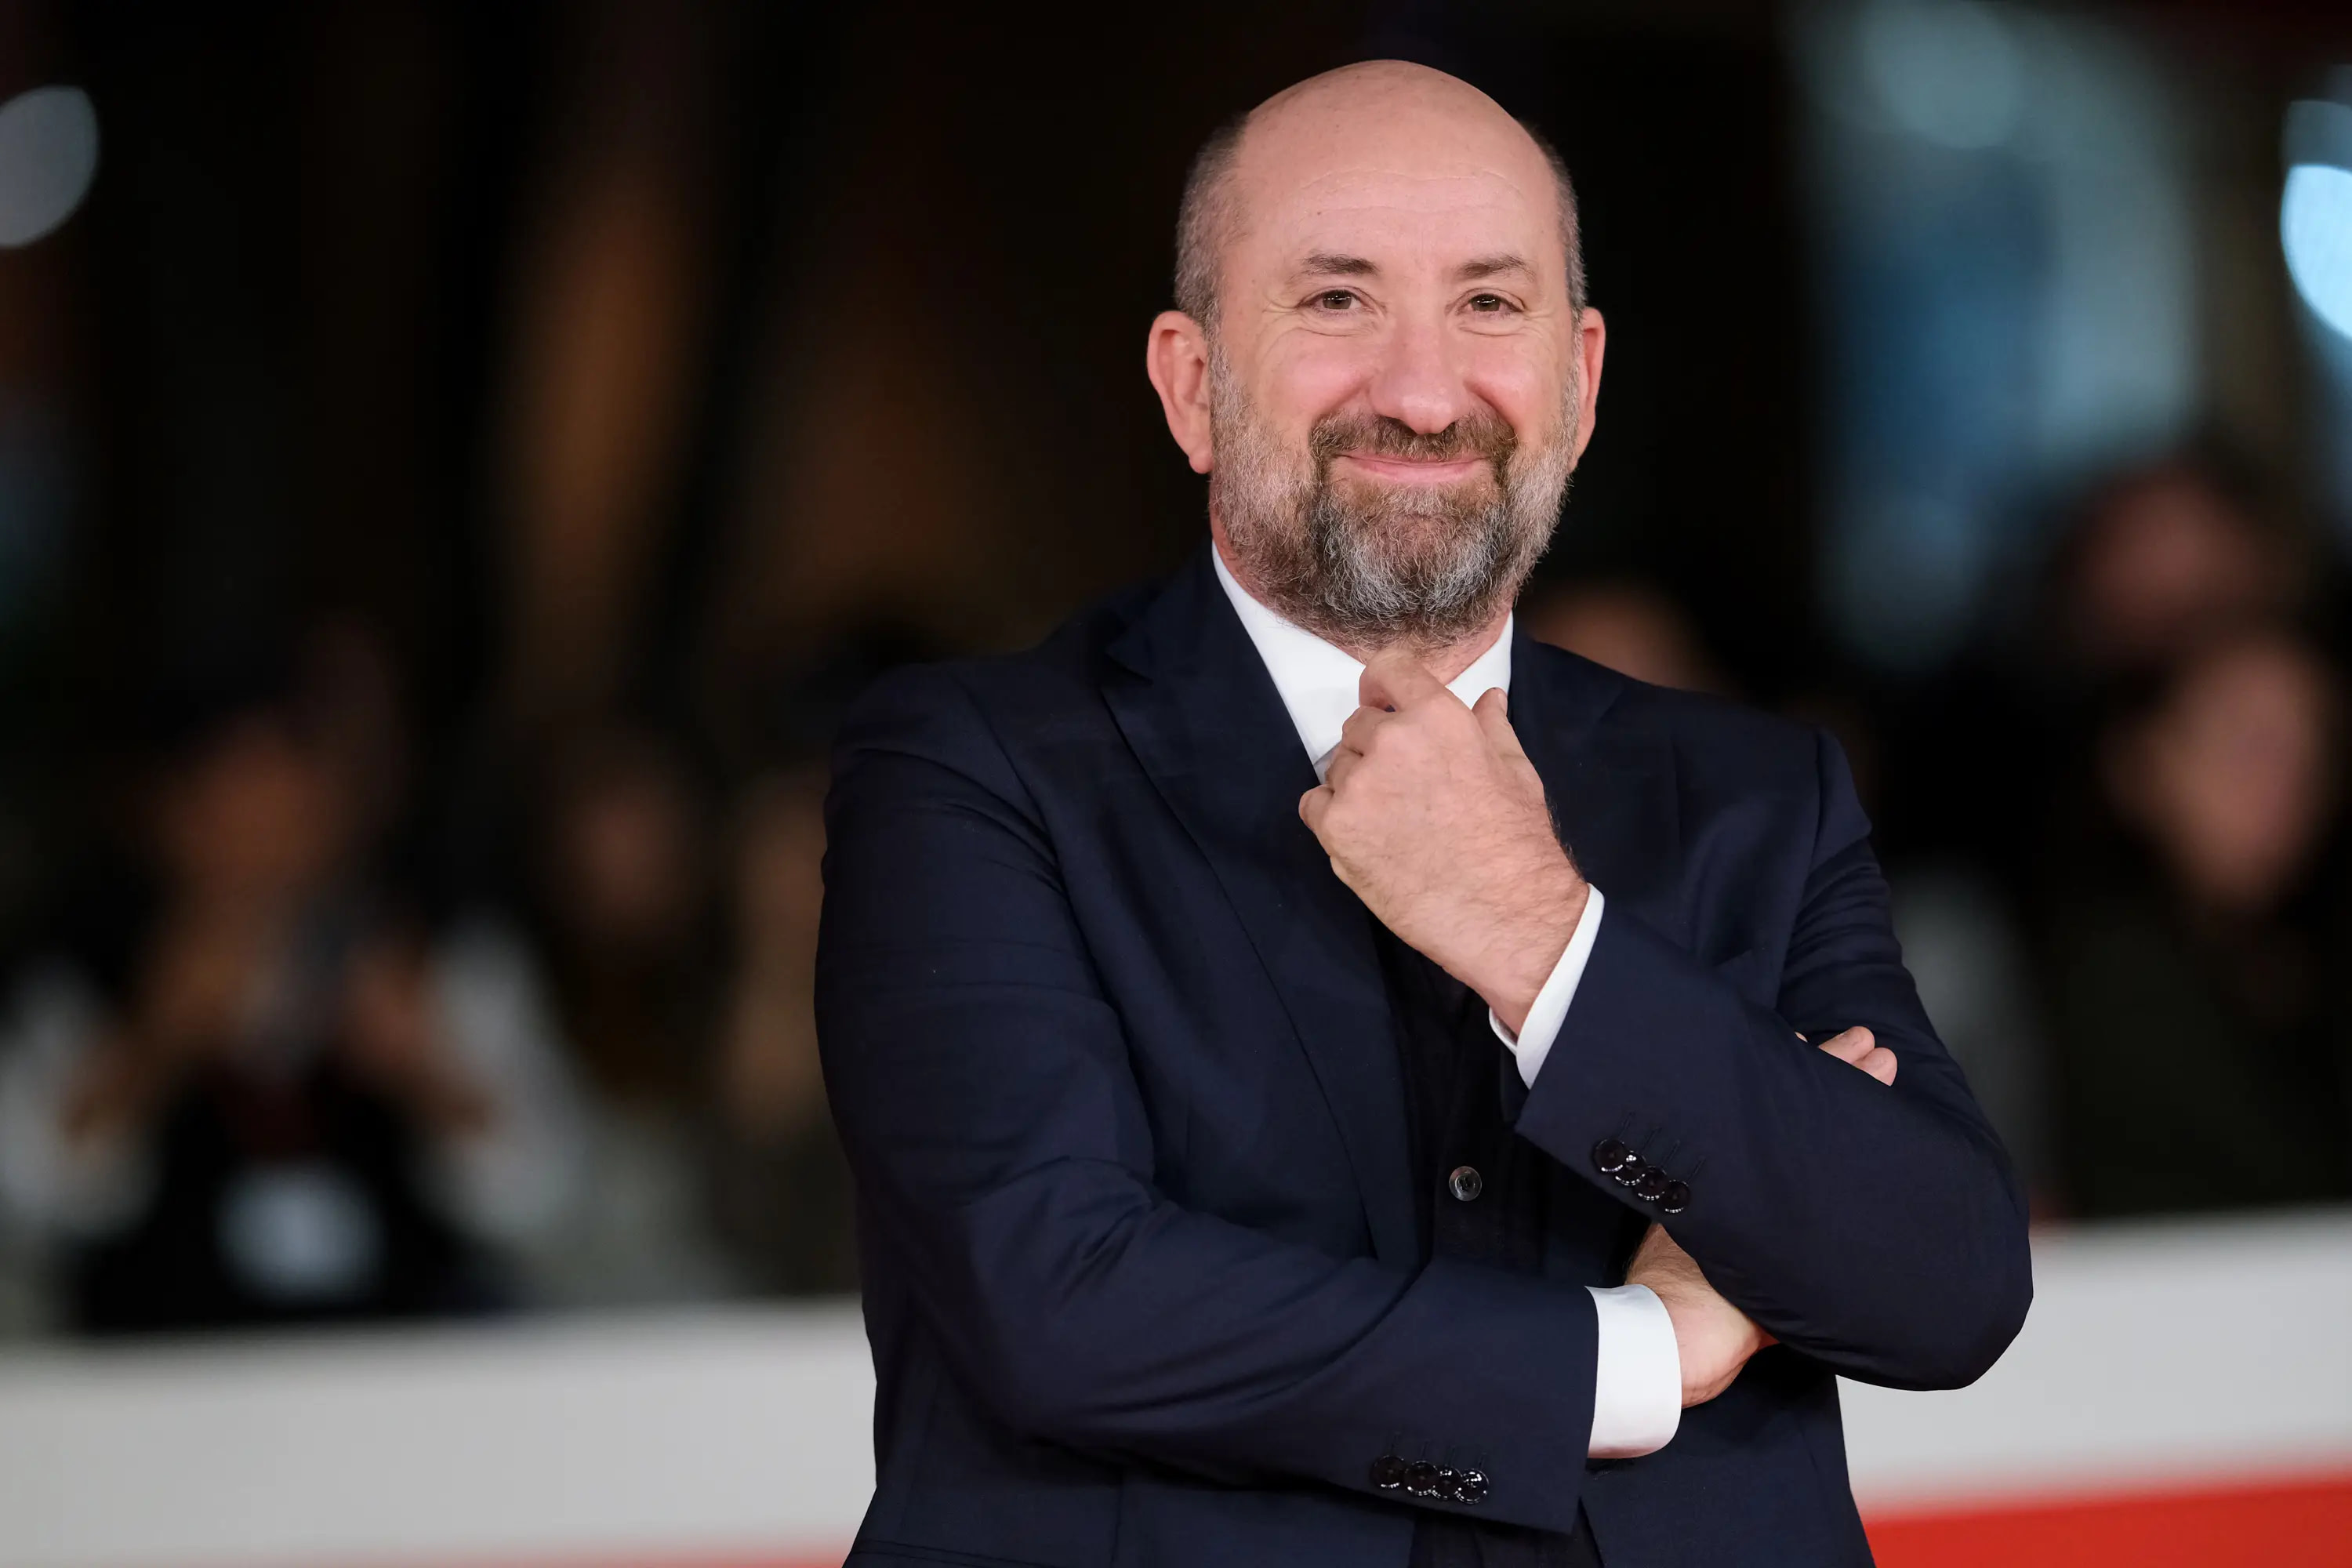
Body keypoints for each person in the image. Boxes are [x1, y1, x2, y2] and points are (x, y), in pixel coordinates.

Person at [818, 62, 2028, 1567]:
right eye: (1336, 300)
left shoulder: (1753, 797)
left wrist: (1541, 937)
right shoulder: (971, 772)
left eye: (1489, 305)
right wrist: (1642, 1354)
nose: (1420, 387)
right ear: (1193, 385)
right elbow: (1059, 1300)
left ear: (1581, 383)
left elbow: (1944, 1276)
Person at [2038, 627, 2352, 1216]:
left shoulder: (2307, 963)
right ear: (2143, 761)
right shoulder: (2097, 973)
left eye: (2315, 752)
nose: (2283, 787)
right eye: (2250, 747)